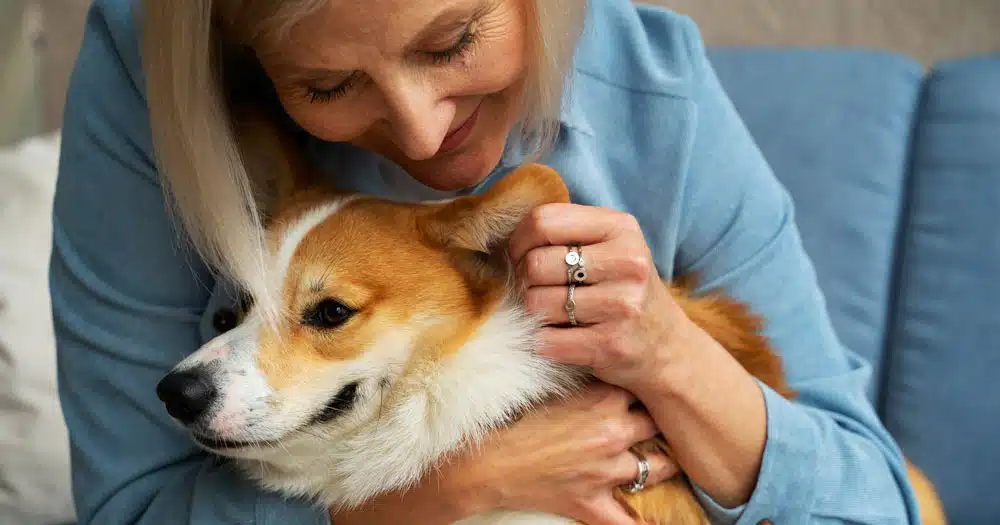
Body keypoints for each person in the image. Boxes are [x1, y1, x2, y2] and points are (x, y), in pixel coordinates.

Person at [49, 0, 922, 523]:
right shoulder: (148, 74)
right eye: (327, 85)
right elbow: (132, 509)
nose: (425, 131)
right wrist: (469, 479)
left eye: (452, 40)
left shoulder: (659, 96)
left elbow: (880, 501)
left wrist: (665, 350)